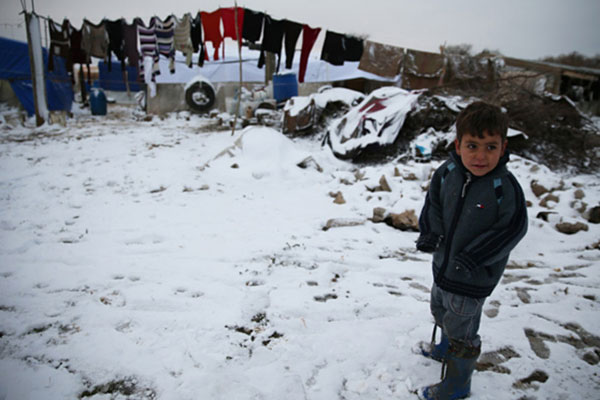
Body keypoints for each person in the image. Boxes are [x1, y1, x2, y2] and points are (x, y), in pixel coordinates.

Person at [415, 101, 528, 400]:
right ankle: (444, 348)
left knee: (463, 330)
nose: (480, 156)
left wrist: (473, 257)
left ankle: (457, 384)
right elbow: (433, 204)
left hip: (472, 278)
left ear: (503, 148)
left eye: (490, 147)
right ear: (458, 145)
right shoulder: (447, 172)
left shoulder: (504, 187)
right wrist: (430, 234)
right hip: (442, 268)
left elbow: (511, 229)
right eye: (472, 146)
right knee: (440, 310)